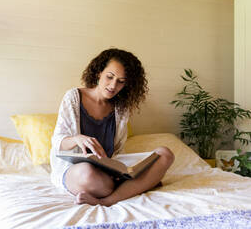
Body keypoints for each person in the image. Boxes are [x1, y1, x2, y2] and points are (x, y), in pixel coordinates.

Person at [49, 48, 174, 206]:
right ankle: (139, 185)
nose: (113, 85)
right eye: (110, 77)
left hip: (109, 170)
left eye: (121, 81)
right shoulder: (73, 97)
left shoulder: (121, 108)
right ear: (99, 72)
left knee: (165, 154)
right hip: (77, 170)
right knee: (87, 174)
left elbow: (117, 151)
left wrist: (117, 170)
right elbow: (58, 142)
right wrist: (77, 139)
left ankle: (108, 200)